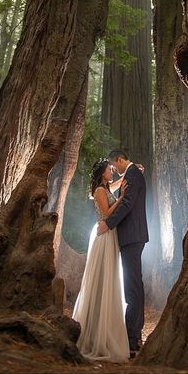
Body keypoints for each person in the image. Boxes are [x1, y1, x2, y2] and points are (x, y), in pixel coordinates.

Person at [72, 159, 130, 362]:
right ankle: (93, 331)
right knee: (101, 279)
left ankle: (102, 327)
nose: (111, 171)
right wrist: (122, 198)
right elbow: (106, 213)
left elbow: (115, 184)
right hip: (103, 236)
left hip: (109, 236)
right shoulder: (99, 190)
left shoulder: (106, 187)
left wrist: (130, 171)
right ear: (102, 173)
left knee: (109, 278)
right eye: (109, 169)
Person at [97, 149, 149, 357]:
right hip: (131, 237)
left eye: (114, 165)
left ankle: (133, 339)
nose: (114, 169)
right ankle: (133, 336)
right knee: (133, 286)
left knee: (133, 287)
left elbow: (127, 203)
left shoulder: (132, 173)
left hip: (132, 237)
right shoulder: (131, 174)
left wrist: (108, 223)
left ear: (120, 160)